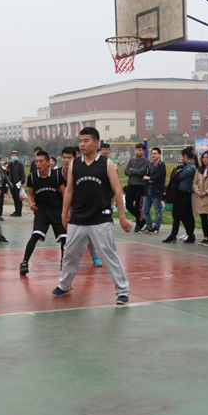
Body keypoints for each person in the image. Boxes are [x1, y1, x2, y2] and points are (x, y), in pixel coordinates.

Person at [54, 127, 132, 304]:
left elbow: (117, 191)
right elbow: (69, 190)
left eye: (86, 141)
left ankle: (122, 290)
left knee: (109, 255)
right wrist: (64, 213)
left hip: (100, 219)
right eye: (80, 141)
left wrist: (121, 217)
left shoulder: (107, 164)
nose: (82, 144)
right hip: (78, 219)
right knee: (69, 254)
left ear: (96, 142)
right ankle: (64, 284)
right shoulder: (75, 164)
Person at [19, 151, 67, 277]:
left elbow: (64, 193)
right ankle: (24, 262)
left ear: (48, 162)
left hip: (57, 210)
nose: (38, 164)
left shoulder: (57, 175)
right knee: (35, 235)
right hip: (41, 212)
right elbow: (31, 194)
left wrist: (66, 211)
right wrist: (31, 203)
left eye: (41, 161)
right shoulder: (32, 177)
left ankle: (64, 261)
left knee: (64, 238)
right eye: (36, 161)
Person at [162, 147, 197, 244]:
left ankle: (190, 235)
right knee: (175, 215)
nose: (181, 159)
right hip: (179, 193)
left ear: (185, 156)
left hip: (185, 194)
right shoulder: (186, 167)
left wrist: (179, 166)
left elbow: (178, 176)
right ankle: (173, 235)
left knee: (184, 215)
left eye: (181, 156)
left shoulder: (191, 168)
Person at [124, 143, 150, 232]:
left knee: (138, 206)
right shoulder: (131, 160)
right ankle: (141, 219)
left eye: (139, 150)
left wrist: (132, 170)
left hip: (140, 186)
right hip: (131, 185)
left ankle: (139, 224)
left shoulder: (146, 161)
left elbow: (142, 172)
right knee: (128, 205)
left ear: (143, 151)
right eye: (136, 150)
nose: (137, 152)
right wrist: (134, 172)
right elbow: (126, 171)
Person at [141, 147, 166, 234]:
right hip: (148, 190)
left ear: (159, 155)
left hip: (157, 191)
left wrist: (149, 178)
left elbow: (157, 177)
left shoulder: (161, 166)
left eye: (155, 153)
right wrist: (149, 179)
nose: (153, 155)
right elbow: (145, 176)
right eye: (152, 154)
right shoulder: (150, 165)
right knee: (145, 210)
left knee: (157, 210)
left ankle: (156, 227)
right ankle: (149, 226)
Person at [7, 150, 25, 217]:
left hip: (18, 183)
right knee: (14, 198)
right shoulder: (9, 165)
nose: (14, 156)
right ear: (11, 156)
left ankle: (19, 212)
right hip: (11, 184)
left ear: (17, 156)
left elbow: (22, 174)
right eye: (13, 155)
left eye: (15, 155)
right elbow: (7, 173)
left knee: (18, 198)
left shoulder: (20, 164)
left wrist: (22, 182)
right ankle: (16, 210)